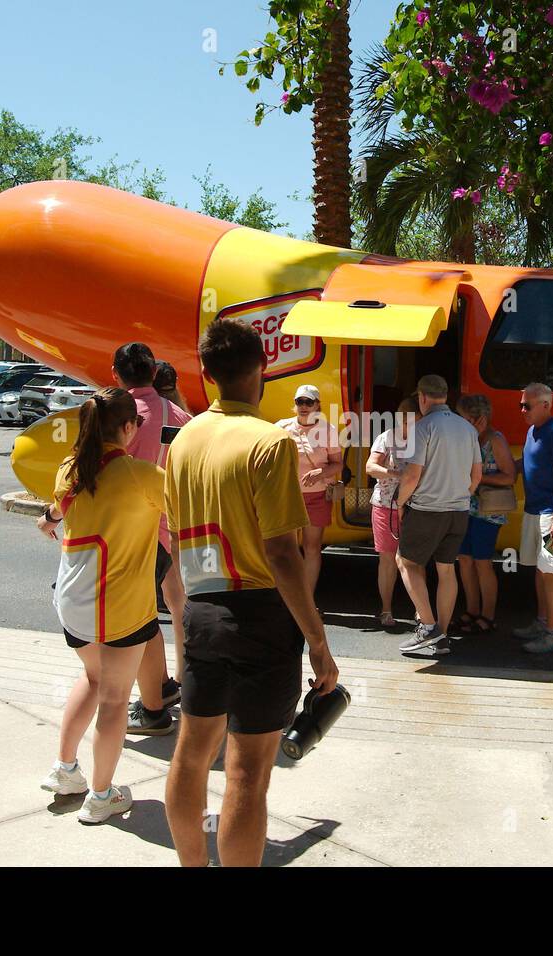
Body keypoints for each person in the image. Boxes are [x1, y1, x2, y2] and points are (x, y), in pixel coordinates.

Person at [164, 318, 338, 867]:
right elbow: (284, 553)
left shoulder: (184, 439)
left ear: (208, 374)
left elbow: (174, 527)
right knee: (246, 772)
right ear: (261, 370)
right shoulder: (270, 441)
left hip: (201, 609)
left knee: (192, 756)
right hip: (260, 614)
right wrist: (318, 642)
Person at [35, 387, 167, 824]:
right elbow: (195, 510)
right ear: (128, 427)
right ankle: (101, 795)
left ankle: (65, 769)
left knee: (93, 678)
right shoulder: (142, 475)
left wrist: (49, 520)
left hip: (71, 599)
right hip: (119, 605)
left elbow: (57, 509)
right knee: (114, 700)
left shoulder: (69, 468)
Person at [111, 341, 192, 735]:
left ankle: (153, 704)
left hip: (132, 531)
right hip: (170, 526)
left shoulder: (119, 413)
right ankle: (170, 683)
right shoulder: (178, 415)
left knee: (138, 620)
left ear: (116, 374)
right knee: (175, 604)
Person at [394, 374, 481, 654]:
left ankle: (428, 627)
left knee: (405, 562)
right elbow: (476, 475)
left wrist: (399, 502)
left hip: (427, 509)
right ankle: (441, 637)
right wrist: (459, 494)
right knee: (446, 569)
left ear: (422, 397)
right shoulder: (467, 428)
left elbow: (412, 475)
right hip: (458, 510)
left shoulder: (424, 427)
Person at [512, 382, 553, 654]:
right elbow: (524, 464)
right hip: (534, 511)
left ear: (546, 405)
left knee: (550, 570)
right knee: (539, 569)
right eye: (521, 404)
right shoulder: (532, 431)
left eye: (527, 405)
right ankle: (541, 623)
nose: (522, 410)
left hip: (552, 516)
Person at [451, 393, 516, 635]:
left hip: (488, 512)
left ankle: (488, 615)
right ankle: (472, 610)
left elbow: (510, 476)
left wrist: (478, 479)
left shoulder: (495, 440)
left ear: (478, 419)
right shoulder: (466, 439)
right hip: (465, 507)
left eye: (464, 417)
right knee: (465, 561)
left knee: (482, 562)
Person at [275, 384, 342, 600]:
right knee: (287, 548)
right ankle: (287, 597)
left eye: (308, 402)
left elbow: (337, 464)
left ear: (317, 405)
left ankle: (306, 598)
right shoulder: (281, 427)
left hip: (317, 496)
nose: (304, 406)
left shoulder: (328, 430)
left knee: (312, 548)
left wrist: (319, 473)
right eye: (299, 402)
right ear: (294, 405)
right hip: (288, 496)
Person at [365, 396, 420, 628]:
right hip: (385, 505)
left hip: (415, 506)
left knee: (415, 560)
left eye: (415, 421)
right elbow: (370, 467)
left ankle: (420, 610)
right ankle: (386, 610)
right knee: (387, 559)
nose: (410, 427)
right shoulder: (386, 437)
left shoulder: (424, 438)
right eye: (407, 422)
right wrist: (398, 476)